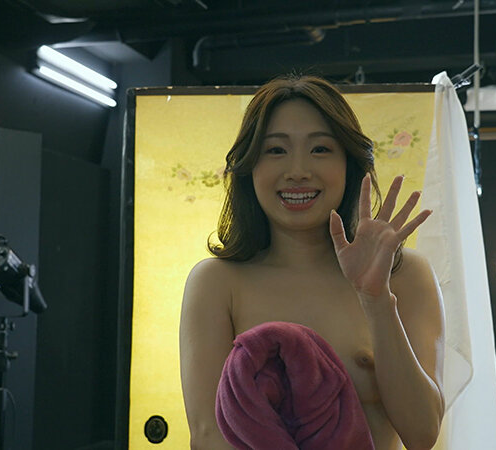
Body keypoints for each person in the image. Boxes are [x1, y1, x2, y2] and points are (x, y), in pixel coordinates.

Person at [179, 75, 445, 450]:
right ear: (249, 167)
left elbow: (423, 433)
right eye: (275, 150)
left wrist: (376, 300)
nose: (298, 170)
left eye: (320, 149)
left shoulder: (405, 274)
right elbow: (209, 435)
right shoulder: (217, 282)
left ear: (349, 164)